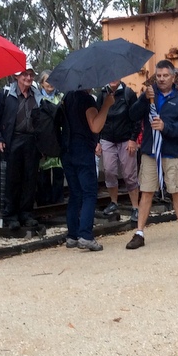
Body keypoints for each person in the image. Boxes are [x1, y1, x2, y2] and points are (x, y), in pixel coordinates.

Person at [126, 60, 178, 250]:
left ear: (173, 77)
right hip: (150, 152)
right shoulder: (149, 96)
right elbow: (132, 116)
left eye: (165, 75)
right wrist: (143, 98)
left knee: (177, 191)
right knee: (147, 191)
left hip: (172, 152)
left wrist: (166, 127)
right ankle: (139, 233)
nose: (161, 79)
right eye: (158, 76)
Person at [0, 62, 44, 229]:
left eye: (30, 74)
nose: (28, 78)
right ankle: (10, 216)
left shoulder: (37, 95)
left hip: (31, 142)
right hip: (12, 141)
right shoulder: (5, 94)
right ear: (16, 76)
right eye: (24, 74)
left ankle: (26, 214)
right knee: (11, 180)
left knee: (30, 179)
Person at [63, 89, 115, 251]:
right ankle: (85, 235)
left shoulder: (68, 96)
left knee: (75, 193)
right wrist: (106, 105)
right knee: (89, 193)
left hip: (67, 150)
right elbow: (95, 126)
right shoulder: (86, 100)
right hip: (82, 151)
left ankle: (72, 235)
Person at [96, 80, 141, 223]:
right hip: (107, 138)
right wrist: (97, 141)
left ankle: (135, 207)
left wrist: (133, 139)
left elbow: (136, 117)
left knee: (129, 174)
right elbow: (97, 119)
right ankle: (114, 202)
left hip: (126, 139)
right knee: (109, 170)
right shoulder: (102, 95)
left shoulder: (128, 93)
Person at [35, 70, 65, 206]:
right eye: (47, 80)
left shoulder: (62, 97)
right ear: (41, 83)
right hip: (44, 142)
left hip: (59, 141)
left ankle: (58, 202)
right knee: (44, 176)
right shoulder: (36, 100)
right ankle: (45, 204)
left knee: (59, 174)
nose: (50, 83)